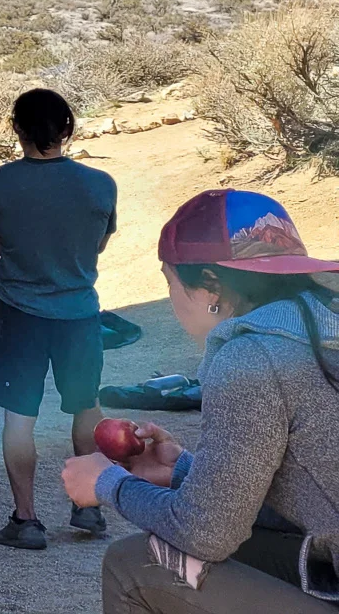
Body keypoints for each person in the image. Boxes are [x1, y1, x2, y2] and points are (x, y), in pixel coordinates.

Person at [62, 189, 339, 612]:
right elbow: (310, 499)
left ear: (210, 284)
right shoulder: (317, 327)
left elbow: (207, 534)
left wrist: (108, 484)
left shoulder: (252, 357)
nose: (171, 297)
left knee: (133, 563)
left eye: (169, 281)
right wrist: (184, 473)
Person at [0, 86, 118, 550]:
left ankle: (26, 520)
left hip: (20, 315)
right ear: (68, 130)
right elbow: (97, 245)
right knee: (86, 407)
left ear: (16, 128)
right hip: (78, 314)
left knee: (19, 419)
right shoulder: (101, 183)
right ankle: (89, 507)